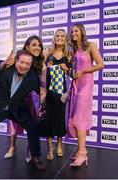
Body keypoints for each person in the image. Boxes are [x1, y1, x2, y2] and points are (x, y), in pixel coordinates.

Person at [3, 35, 46, 162]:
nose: (37, 47)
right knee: (13, 124)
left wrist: (42, 104)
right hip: (16, 98)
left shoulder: (41, 65)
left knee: (31, 125)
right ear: (27, 46)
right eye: (34, 45)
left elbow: (42, 87)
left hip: (32, 99)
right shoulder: (18, 58)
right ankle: (12, 147)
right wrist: (5, 64)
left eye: (39, 45)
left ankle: (31, 150)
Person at [68, 23, 104, 167]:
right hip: (75, 85)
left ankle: (82, 154)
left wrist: (84, 71)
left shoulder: (91, 45)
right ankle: (80, 150)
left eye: (76, 31)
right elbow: (72, 68)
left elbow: (101, 64)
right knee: (75, 118)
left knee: (79, 118)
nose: (73, 33)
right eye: (72, 32)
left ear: (82, 32)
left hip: (86, 85)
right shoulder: (73, 50)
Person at [43, 29, 71, 160]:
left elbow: (72, 74)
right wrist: (46, 67)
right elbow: (40, 69)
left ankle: (59, 144)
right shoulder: (48, 52)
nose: (60, 38)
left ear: (65, 39)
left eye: (62, 36)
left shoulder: (68, 54)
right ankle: (49, 148)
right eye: (57, 36)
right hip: (48, 91)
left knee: (60, 117)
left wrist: (67, 69)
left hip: (62, 91)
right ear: (54, 38)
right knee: (48, 118)